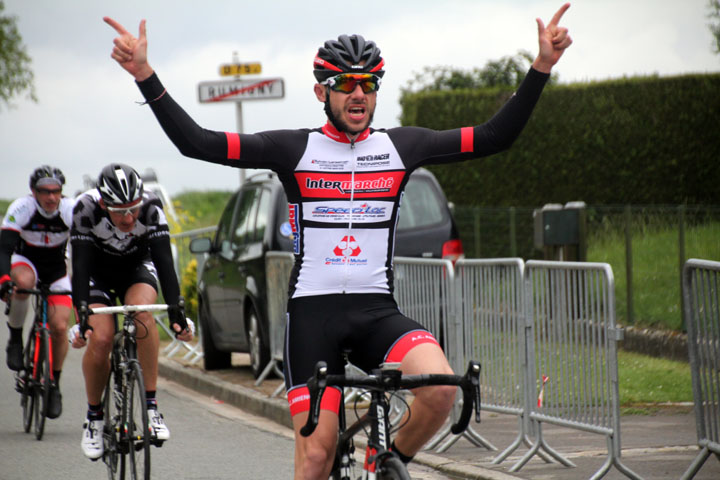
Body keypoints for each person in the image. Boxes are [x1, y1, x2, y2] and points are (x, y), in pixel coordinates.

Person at [104, 3, 572, 477]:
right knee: (315, 456)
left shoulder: (401, 147)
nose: (358, 93)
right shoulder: (294, 149)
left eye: (368, 84)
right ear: (321, 91)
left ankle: (383, 463)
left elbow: (495, 135)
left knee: (442, 389)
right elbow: (198, 143)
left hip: (376, 311)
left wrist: (541, 67)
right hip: (313, 315)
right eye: (345, 83)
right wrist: (145, 74)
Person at [69, 162, 192, 460]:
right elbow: (81, 266)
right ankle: (94, 419)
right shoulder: (85, 209)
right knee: (100, 338)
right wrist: (82, 314)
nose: (128, 217)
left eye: (132, 209)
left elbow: (164, 260)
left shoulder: (151, 207)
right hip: (97, 273)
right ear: (103, 203)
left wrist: (177, 311)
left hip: (136, 267)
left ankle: (151, 408)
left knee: (143, 315)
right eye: (119, 211)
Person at [0, 166, 74, 420]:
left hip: (56, 269)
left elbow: (86, 247)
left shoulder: (70, 210)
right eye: (45, 192)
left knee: (60, 327)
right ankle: (16, 338)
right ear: (34, 192)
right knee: (22, 282)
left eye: (56, 192)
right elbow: (4, 249)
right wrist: (4, 279)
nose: (51, 197)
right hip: (26, 261)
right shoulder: (22, 208)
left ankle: (53, 383)